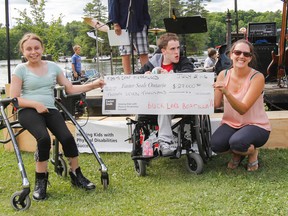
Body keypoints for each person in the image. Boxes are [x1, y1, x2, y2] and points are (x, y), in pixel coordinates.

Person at [10, 33, 105, 200]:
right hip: (28, 110)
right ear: (23, 52)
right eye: (29, 49)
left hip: (50, 109)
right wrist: (35, 104)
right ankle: (41, 181)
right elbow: (15, 99)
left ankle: (76, 175)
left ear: (42, 49)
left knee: (67, 138)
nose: (33, 52)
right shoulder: (20, 69)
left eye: (36, 48)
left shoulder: (53, 67)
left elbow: (70, 89)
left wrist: (93, 85)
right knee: (44, 139)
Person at [211, 39, 271, 172]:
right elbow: (215, 104)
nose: (242, 56)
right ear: (231, 54)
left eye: (246, 54)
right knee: (216, 145)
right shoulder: (223, 74)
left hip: (256, 125)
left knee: (237, 143)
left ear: (250, 58)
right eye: (238, 52)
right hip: (231, 123)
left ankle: (252, 152)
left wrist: (226, 92)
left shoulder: (257, 77)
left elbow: (243, 109)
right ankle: (238, 153)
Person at [136, 33, 195, 156]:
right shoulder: (152, 63)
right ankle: (150, 140)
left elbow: (188, 74)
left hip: (177, 101)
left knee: (164, 105)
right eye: (172, 49)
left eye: (178, 48)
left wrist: (171, 75)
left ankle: (164, 141)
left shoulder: (184, 62)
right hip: (153, 102)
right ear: (163, 51)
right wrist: (144, 77)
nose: (177, 52)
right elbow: (136, 76)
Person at [109, 0, 151, 74]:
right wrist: (115, 23)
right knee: (125, 53)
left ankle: (147, 76)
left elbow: (145, 7)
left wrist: (146, 23)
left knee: (143, 52)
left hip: (140, 24)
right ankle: (127, 78)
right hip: (123, 26)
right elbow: (113, 6)